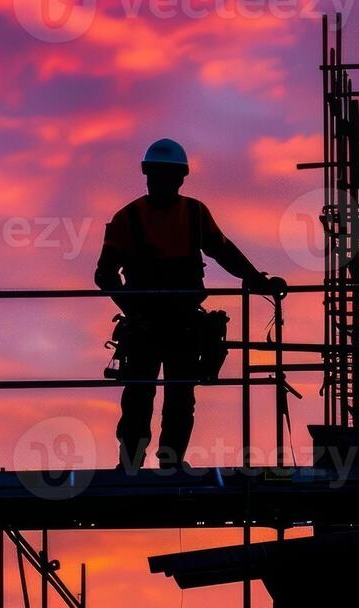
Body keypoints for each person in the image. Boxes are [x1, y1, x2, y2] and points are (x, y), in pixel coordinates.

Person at [95, 138, 287, 471]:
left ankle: (169, 462)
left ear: (180, 178)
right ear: (148, 176)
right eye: (156, 175)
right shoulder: (128, 218)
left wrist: (259, 283)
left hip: (181, 323)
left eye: (165, 176)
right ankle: (131, 465)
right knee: (140, 397)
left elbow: (224, 252)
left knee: (179, 397)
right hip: (146, 325)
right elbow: (105, 273)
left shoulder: (195, 214)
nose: (161, 182)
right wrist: (133, 309)